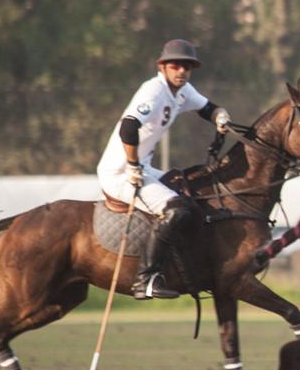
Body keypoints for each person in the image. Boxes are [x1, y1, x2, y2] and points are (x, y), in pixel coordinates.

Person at [96, 39, 232, 299]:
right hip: (120, 172)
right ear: (163, 66)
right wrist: (134, 165)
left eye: (187, 67)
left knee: (190, 186)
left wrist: (221, 116)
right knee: (176, 209)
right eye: (176, 66)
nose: (181, 71)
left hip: (142, 167)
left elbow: (208, 109)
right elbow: (128, 127)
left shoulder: (182, 90)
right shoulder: (154, 91)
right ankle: (145, 279)